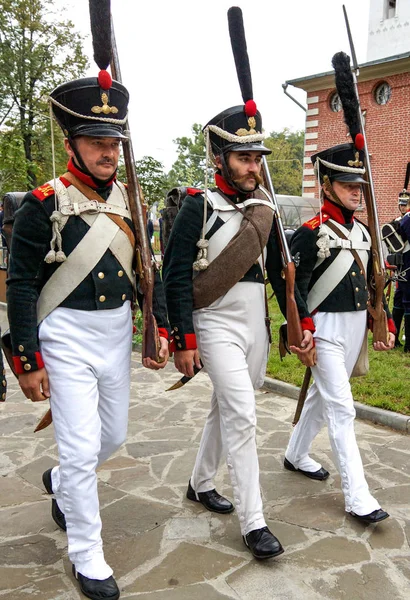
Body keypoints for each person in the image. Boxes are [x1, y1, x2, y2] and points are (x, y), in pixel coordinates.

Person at [7, 73, 169, 600]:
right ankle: (87, 554)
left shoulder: (132, 203)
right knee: (80, 449)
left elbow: (150, 271)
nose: (108, 151)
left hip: (116, 333)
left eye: (114, 142)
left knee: (113, 437)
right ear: (73, 141)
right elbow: (23, 284)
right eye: (97, 140)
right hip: (64, 335)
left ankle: (61, 480)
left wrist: (159, 326)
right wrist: (27, 357)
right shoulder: (43, 202)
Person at [163, 100, 315, 560]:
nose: (253, 167)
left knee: (224, 410)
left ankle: (199, 482)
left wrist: (298, 319)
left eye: (257, 158)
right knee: (243, 417)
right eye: (244, 157)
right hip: (213, 322)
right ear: (220, 159)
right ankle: (255, 523)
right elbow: (174, 274)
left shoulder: (262, 209)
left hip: (254, 325)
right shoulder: (197, 205)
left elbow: (279, 273)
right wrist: (182, 339)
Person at [284, 143, 395, 524]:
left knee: (321, 398)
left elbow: (374, 285)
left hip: (353, 328)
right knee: (341, 408)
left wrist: (386, 322)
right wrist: (306, 330)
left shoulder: (365, 233)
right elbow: (295, 289)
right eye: (348, 184)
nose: (355, 191)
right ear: (327, 185)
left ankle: (295, 454)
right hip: (324, 330)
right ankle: (358, 496)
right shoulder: (309, 233)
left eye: (359, 185)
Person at [397, 190, 410, 352]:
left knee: (402, 299)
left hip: (404, 265)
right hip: (407, 263)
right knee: (407, 301)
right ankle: (408, 344)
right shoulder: (407, 219)